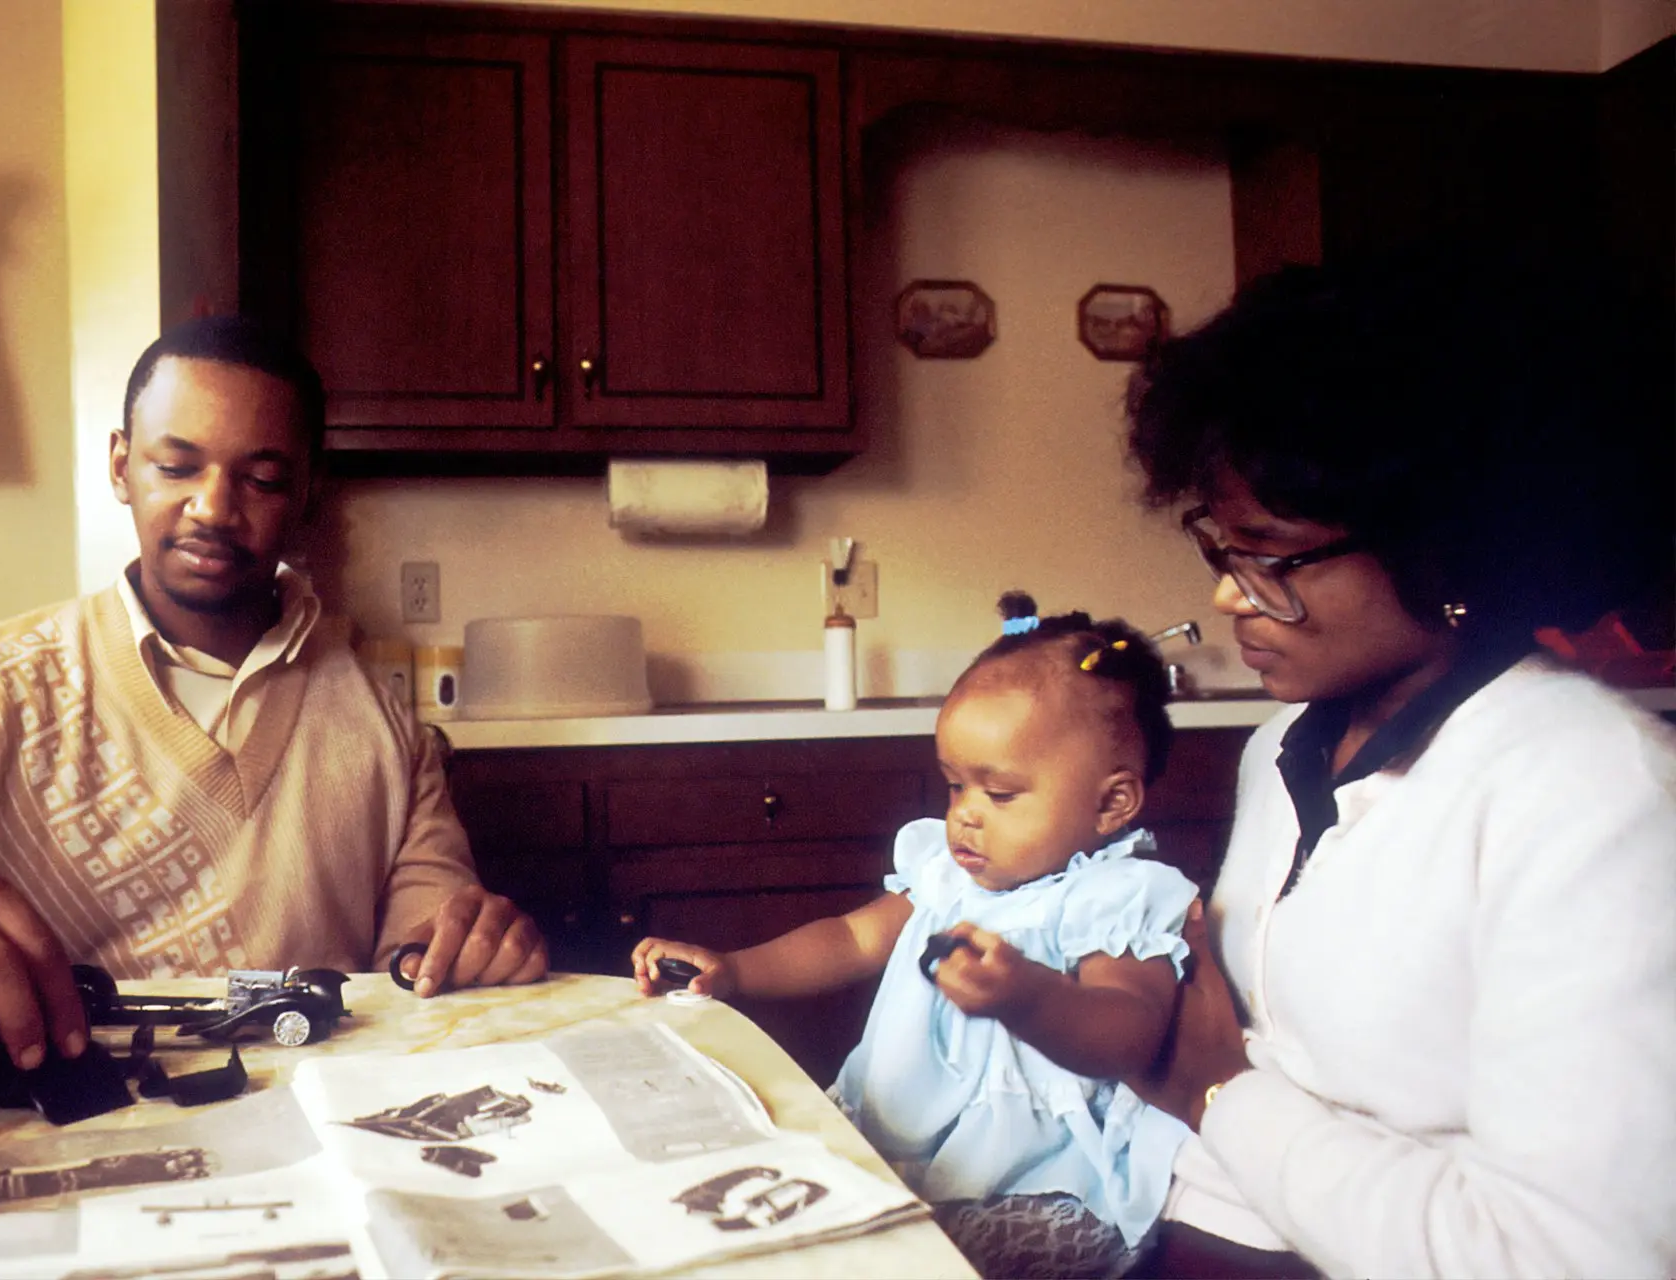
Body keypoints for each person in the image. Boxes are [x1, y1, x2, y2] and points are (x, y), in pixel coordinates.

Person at [0, 315, 546, 1086]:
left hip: (319, 1129)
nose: (213, 507)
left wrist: (468, 946)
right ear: (120, 466)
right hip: (62, 1137)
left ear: (308, 493)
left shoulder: (384, 723)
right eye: (176, 467)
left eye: (262, 479)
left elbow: (426, 949)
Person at [1119, 246, 1676, 1278]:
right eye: (1224, 547)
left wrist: (1215, 1089)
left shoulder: (1598, 793)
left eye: (1271, 556)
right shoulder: (1284, 745)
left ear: (1447, 549)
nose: (1233, 594)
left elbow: (1567, 1258)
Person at [634, 596, 1200, 1279]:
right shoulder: (944, 873)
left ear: (1111, 803)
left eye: (1000, 794)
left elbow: (1131, 1032)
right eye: (956, 786)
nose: (965, 816)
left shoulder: (1117, 896)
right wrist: (733, 969)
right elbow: (850, 939)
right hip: (904, 1152)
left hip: (1039, 1185)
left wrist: (1030, 999)